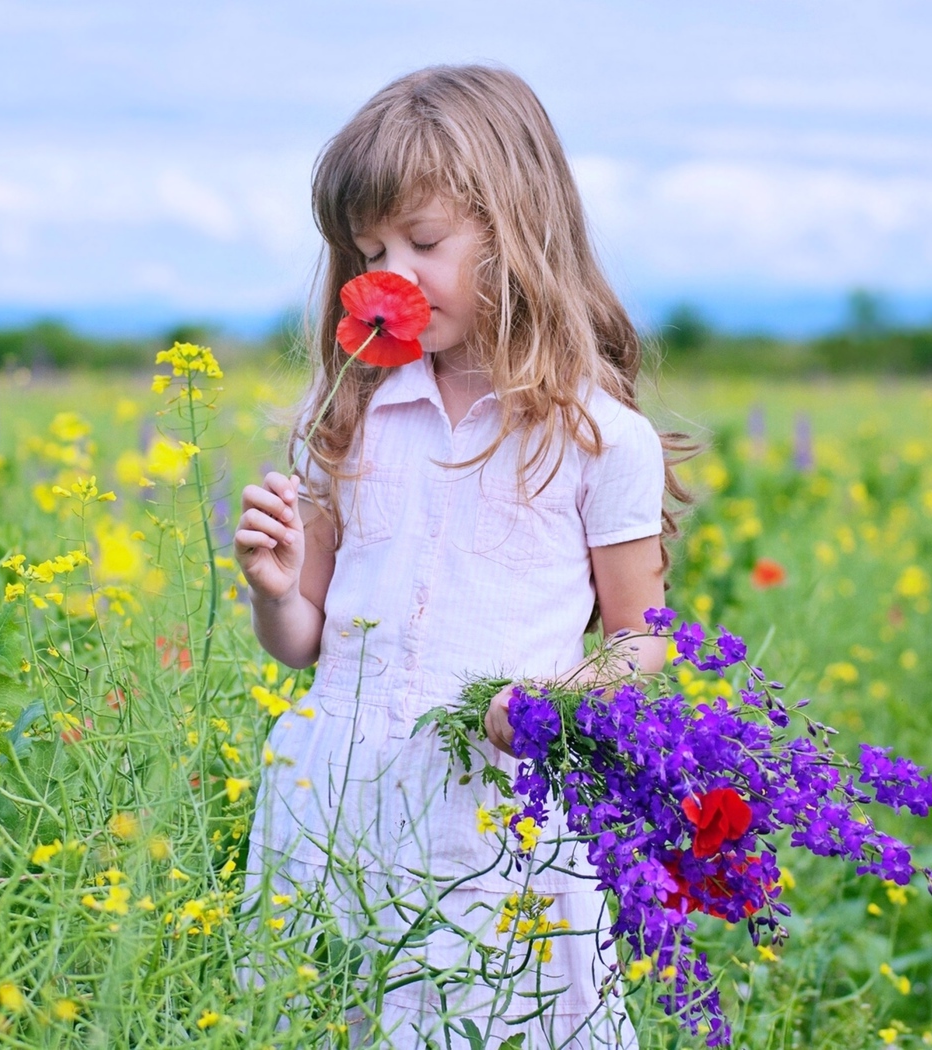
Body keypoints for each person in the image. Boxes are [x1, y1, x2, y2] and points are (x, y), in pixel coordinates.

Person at [234, 65, 691, 1048]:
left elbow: (641, 640)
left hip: (494, 810)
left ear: (519, 228)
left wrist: (550, 702)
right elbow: (302, 642)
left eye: (424, 242)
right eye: (369, 251)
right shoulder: (344, 415)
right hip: (336, 796)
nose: (388, 274)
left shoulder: (602, 439)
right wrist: (274, 592)